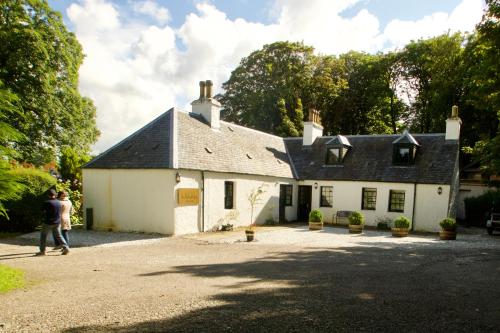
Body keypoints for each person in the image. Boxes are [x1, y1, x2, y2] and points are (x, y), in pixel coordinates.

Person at [36, 189, 69, 256]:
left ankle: (42, 251)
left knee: (43, 236)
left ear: (48, 195)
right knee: (59, 236)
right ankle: (66, 248)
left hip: (48, 222)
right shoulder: (58, 202)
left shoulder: (47, 202)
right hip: (57, 222)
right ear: (55, 195)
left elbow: (42, 211)